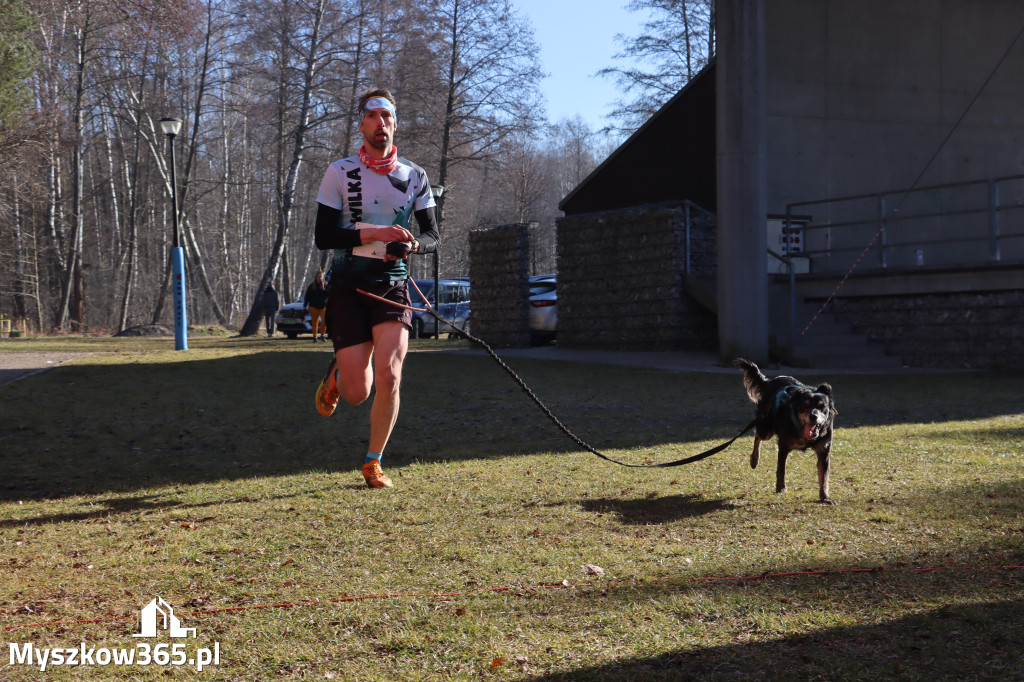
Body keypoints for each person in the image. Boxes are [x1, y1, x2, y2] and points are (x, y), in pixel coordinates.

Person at [312, 88, 440, 488]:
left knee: (389, 374)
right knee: (357, 392)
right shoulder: (340, 171)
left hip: (393, 285)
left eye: (387, 117)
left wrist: (412, 245)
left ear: (395, 124)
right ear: (362, 124)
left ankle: (373, 461)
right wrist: (378, 233)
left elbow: (433, 233)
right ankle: (337, 377)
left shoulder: (414, 175)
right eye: (373, 116)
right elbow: (324, 236)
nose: (380, 123)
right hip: (348, 286)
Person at [303, 270, 330, 342]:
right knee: (315, 322)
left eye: (321, 277)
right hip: (313, 306)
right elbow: (307, 296)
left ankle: (322, 335)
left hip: (323, 306)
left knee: (324, 321)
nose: (320, 278)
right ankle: (315, 336)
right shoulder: (312, 286)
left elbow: (329, 295)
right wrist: (305, 305)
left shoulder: (326, 285)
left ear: (323, 277)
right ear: (316, 277)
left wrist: (324, 290)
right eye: (319, 277)